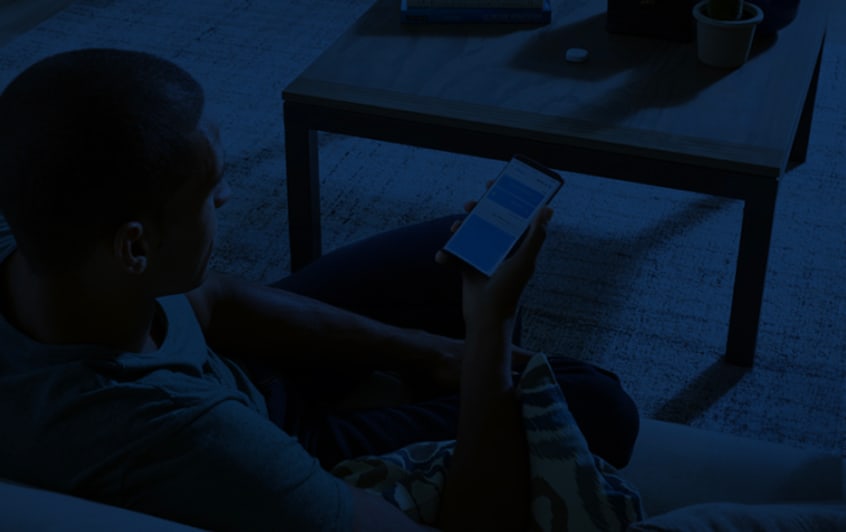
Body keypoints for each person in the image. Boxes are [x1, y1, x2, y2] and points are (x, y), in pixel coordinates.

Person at [0, 48, 638, 530]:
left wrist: (429, 351)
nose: (228, 195)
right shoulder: (184, 437)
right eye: (210, 189)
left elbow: (211, 300)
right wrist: (489, 334)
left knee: (451, 251)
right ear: (135, 247)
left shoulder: (54, 251)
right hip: (291, 441)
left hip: (246, 373)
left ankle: (429, 390)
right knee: (596, 402)